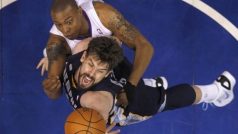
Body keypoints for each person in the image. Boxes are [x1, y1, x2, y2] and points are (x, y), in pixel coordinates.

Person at [43, 37, 236, 127]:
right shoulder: (81, 47)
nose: (90, 74)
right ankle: (150, 84)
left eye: (100, 70)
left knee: (163, 102)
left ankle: (218, 90)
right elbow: (113, 41)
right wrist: (51, 56)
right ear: (83, 56)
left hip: (126, 104)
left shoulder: (94, 101)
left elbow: (97, 116)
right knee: (116, 58)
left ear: (108, 70)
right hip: (120, 73)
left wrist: (95, 131)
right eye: (90, 64)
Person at [37, 0, 154, 105]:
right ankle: (47, 56)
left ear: (79, 11)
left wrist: (131, 85)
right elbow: (55, 94)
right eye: (59, 25)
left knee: (114, 45)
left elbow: (144, 46)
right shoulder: (57, 43)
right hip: (77, 58)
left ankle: (146, 87)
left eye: (69, 22)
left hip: (107, 50)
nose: (65, 30)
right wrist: (51, 89)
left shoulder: (103, 14)